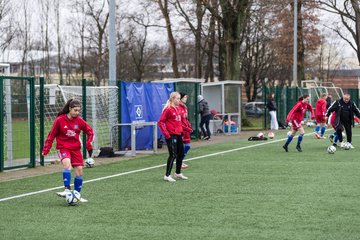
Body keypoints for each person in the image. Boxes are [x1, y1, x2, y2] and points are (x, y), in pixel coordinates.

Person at [42, 98, 94, 202]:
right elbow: (51, 135)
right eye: (75, 110)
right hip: (63, 147)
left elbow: (90, 132)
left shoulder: (79, 121)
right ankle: (67, 189)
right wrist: (46, 149)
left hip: (75, 149)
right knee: (67, 165)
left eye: (78, 110)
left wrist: (89, 144)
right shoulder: (60, 120)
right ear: (70, 109)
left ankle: (77, 195)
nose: (77, 112)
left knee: (79, 171)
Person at [158, 92, 187, 182]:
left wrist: (187, 129)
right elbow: (160, 122)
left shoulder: (177, 109)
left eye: (179, 98)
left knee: (181, 154)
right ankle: (167, 175)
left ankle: (178, 173)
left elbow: (179, 122)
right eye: (177, 98)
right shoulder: (168, 109)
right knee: (173, 154)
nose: (179, 100)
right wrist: (167, 134)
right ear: (173, 99)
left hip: (178, 134)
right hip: (171, 135)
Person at [178, 92, 193, 169]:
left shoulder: (185, 107)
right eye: (184, 98)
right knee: (181, 147)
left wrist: (189, 125)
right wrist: (186, 128)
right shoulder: (178, 108)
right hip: (181, 131)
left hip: (186, 130)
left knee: (187, 146)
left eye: (186, 98)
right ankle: (179, 161)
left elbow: (185, 119)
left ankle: (180, 160)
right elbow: (179, 122)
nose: (186, 99)